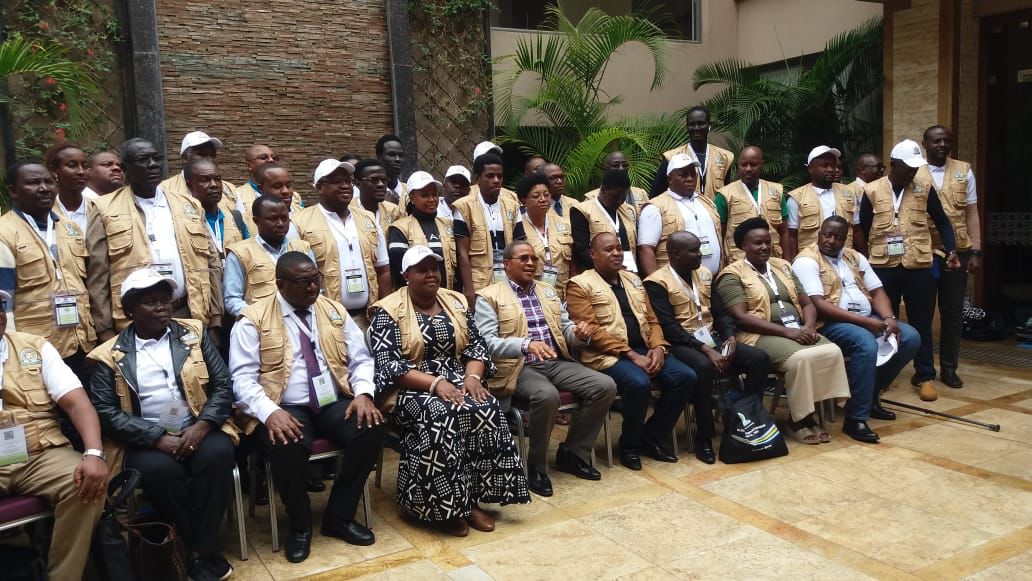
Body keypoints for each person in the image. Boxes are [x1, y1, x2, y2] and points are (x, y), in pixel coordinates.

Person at [369, 246, 529, 537]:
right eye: (422, 269)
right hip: (407, 389)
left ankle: (470, 501)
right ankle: (442, 507)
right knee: (441, 415)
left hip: (457, 379)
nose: (431, 274)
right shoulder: (387, 311)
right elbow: (389, 365)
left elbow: (477, 346)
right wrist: (434, 383)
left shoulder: (454, 301)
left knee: (486, 407)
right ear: (406, 275)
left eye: (435, 268)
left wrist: (471, 377)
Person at [89, 268, 237, 580]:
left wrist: (203, 425)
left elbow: (223, 385)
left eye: (165, 300)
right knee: (160, 471)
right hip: (146, 439)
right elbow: (105, 411)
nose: (162, 307)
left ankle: (201, 550)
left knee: (219, 454)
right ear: (130, 310)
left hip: (197, 425)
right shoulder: (109, 355)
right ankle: (198, 549)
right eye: (150, 302)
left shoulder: (193, 334)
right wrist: (156, 437)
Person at [476, 241, 616, 495]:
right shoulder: (489, 296)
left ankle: (573, 452)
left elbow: (565, 330)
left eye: (533, 259)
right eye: (523, 258)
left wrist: (579, 334)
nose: (531, 263)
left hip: (555, 361)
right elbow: (486, 341)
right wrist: (525, 344)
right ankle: (537, 467)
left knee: (604, 386)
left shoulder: (548, 291)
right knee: (546, 395)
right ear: (506, 264)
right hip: (518, 367)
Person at [0, 289, 108, 581]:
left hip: (40, 454)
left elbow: (78, 404)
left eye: (0, 309)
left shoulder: (35, 348)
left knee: (87, 482)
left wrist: (94, 454)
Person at [566, 232, 695, 470]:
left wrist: (658, 347)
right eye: (609, 249)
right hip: (608, 355)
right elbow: (592, 330)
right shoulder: (579, 285)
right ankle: (630, 446)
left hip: (643, 348)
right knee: (638, 383)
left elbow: (653, 320)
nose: (616, 253)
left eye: (619, 248)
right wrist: (631, 355)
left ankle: (652, 437)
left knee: (685, 377)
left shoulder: (633, 280)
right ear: (593, 255)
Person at [716, 218, 851, 445]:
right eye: (757, 243)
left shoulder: (784, 266)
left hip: (796, 329)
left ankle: (807, 416)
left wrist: (807, 326)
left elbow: (807, 303)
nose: (764, 247)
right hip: (757, 335)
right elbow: (741, 317)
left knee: (832, 351)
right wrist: (787, 333)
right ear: (743, 246)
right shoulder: (732, 275)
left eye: (768, 242)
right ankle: (799, 421)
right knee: (801, 358)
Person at [644, 231, 771, 463]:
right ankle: (704, 435)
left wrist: (730, 337)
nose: (700, 254)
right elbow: (669, 327)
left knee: (758, 359)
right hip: (681, 343)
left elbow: (721, 313)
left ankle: (744, 421)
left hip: (711, 337)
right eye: (693, 250)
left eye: (699, 248)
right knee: (703, 368)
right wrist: (706, 350)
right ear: (674, 254)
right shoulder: (656, 282)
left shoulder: (704, 274)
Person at [792, 217, 921, 443]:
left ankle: (869, 397)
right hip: (830, 324)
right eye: (827, 235)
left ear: (845, 239)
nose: (831, 241)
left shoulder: (854, 257)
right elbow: (820, 305)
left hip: (866, 318)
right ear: (819, 234)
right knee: (865, 343)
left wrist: (888, 318)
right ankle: (855, 418)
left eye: (838, 237)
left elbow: (878, 291)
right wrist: (868, 324)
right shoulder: (806, 261)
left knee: (910, 337)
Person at [87, 138, 223, 343]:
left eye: (156, 158)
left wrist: (215, 320)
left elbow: (211, 264)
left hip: (188, 312)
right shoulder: (104, 208)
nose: (152, 165)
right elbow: (98, 275)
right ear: (125, 168)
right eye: (143, 159)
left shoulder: (189, 205)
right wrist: (105, 331)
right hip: (134, 322)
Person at [859, 139, 960, 402]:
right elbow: (864, 230)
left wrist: (951, 251)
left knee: (922, 322)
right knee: (884, 322)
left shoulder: (924, 188)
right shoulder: (871, 190)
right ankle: (884, 374)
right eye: (908, 168)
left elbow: (943, 223)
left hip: (919, 265)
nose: (913, 172)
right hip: (883, 267)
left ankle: (924, 375)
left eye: (916, 168)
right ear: (893, 165)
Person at [0, 160, 95, 382]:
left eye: (48, 182)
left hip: (81, 340)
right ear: (13, 191)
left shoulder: (70, 228)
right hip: (36, 346)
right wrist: (11, 350)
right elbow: (4, 302)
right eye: (34, 183)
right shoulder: (4, 233)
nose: (44, 188)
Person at [919, 125, 981, 389]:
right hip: (923, 252)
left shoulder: (963, 170)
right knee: (922, 312)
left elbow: (971, 212)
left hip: (958, 251)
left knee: (953, 312)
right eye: (936, 141)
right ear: (925, 144)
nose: (942, 145)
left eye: (947, 140)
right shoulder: (915, 170)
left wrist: (976, 250)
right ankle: (923, 371)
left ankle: (949, 368)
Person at [293, 159, 390, 330]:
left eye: (348, 181)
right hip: (324, 321)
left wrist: (383, 311)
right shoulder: (300, 222)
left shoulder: (367, 219)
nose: (345, 186)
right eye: (337, 181)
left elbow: (383, 269)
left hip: (367, 318)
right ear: (319, 187)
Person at [453, 152, 527, 306]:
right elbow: (462, 252)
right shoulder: (464, 207)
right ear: (478, 179)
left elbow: (520, 245)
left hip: (509, 278)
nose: (496, 180)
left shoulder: (512, 206)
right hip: (479, 280)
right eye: (490, 176)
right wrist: (469, 290)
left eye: (500, 176)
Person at [224, 196, 315, 320]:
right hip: (262, 327)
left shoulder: (302, 248)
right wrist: (258, 318)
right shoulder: (240, 253)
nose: (280, 224)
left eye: (284, 218)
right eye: (273, 219)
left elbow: (314, 287)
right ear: (256, 221)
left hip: (302, 320)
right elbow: (232, 299)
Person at [638, 153, 723, 277]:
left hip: (711, 282)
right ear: (670, 179)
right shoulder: (655, 207)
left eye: (693, 174)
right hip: (675, 285)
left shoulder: (707, 203)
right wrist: (657, 285)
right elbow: (646, 249)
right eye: (683, 175)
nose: (689, 178)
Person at [784, 146, 866, 260]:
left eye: (833, 165)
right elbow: (791, 236)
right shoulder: (797, 198)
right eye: (824, 165)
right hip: (811, 260)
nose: (831, 169)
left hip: (843, 259)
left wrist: (864, 258)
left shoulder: (849, 193)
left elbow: (856, 230)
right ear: (810, 169)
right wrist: (792, 264)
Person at [715, 146, 788, 262]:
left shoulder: (776, 191)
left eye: (753, 165)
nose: (748, 169)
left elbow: (784, 231)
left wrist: (787, 262)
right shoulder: (724, 195)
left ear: (761, 164)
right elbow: (719, 234)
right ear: (738, 166)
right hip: (739, 261)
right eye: (743, 165)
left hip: (773, 260)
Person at [387, 171, 457, 290]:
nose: (432, 199)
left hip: (446, 298)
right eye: (425, 195)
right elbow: (399, 271)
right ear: (412, 198)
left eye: (435, 194)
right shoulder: (400, 228)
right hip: (416, 299)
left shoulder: (448, 225)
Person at [651, 106, 733, 199]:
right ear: (687, 127)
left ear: (709, 126)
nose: (696, 128)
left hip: (714, 212)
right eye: (692, 124)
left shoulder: (725, 157)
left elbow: (726, 195)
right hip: (682, 211)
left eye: (701, 123)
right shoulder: (672, 157)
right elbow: (656, 195)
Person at [517, 173, 573, 299]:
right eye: (536, 196)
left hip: (563, 294)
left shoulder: (564, 224)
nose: (543, 199)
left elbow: (574, 262)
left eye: (546, 195)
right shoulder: (517, 228)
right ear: (524, 201)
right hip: (531, 294)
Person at [572, 169, 639, 273]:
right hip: (597, 274)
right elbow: (581, 250)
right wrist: (610, 267)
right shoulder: (583, 211)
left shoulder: (629, 210)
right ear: (603, 190)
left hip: (629, 273)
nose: (619, 201)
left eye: (623, 197)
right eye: (615, 197)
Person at [184, 158, 248, 261]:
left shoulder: (236, 218)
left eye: (217, 179)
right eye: (205, 180)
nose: (214, 185)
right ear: (190, 185)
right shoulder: (183, 222)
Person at [160, 131, 237, 202]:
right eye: (202, 154)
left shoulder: (229, 190)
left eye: (213, 155)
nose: (209, 160)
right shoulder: (165, 189)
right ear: (184, 158)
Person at [45, 142, 96, 233]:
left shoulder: (99, 209)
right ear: (53, 170)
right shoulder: (44, 212)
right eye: (72, 165)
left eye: (85, 166)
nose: (81, 172)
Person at [352, 159, 402, 237]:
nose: (381, 184)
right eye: (373, 180)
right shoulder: (349, 211)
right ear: (357, 183)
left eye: (383, 180)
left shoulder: (394, 211)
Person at [583, 151, 650, 210]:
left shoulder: (641, 194)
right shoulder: (591, 197)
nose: (621, 168)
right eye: (616, 165)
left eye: (625, 165)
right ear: (606, 169)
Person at [234, 143, 279, 212]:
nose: (271, 160)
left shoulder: (292, 196)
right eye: (263, 157)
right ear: (249, 165)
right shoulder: (236, 196)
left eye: (274, 158)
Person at [375, 134, 408, 206]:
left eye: (401, 155)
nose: (397, 159)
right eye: (391, 154)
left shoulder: (412, 192)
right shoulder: (369, 194)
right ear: (379, 157)